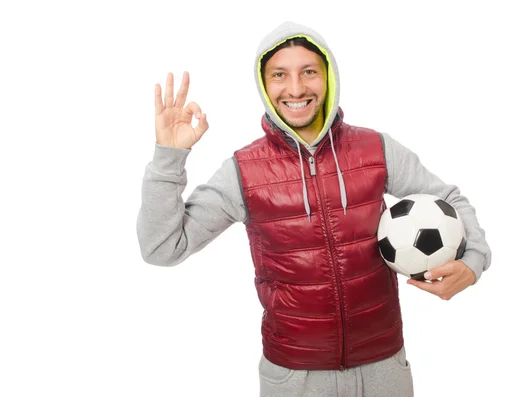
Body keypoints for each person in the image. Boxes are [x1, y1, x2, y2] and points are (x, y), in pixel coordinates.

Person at [137, 21, 492, 397]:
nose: (295, 88)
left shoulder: (376, 149)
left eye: (309, 72)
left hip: (384, 367)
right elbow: (162, 248)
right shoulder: (242, 171)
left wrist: (474, 261)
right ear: (263, 84)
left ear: (329, 77)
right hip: (295, 377)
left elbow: (450, 199)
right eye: (279, 75)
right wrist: (168, 158)